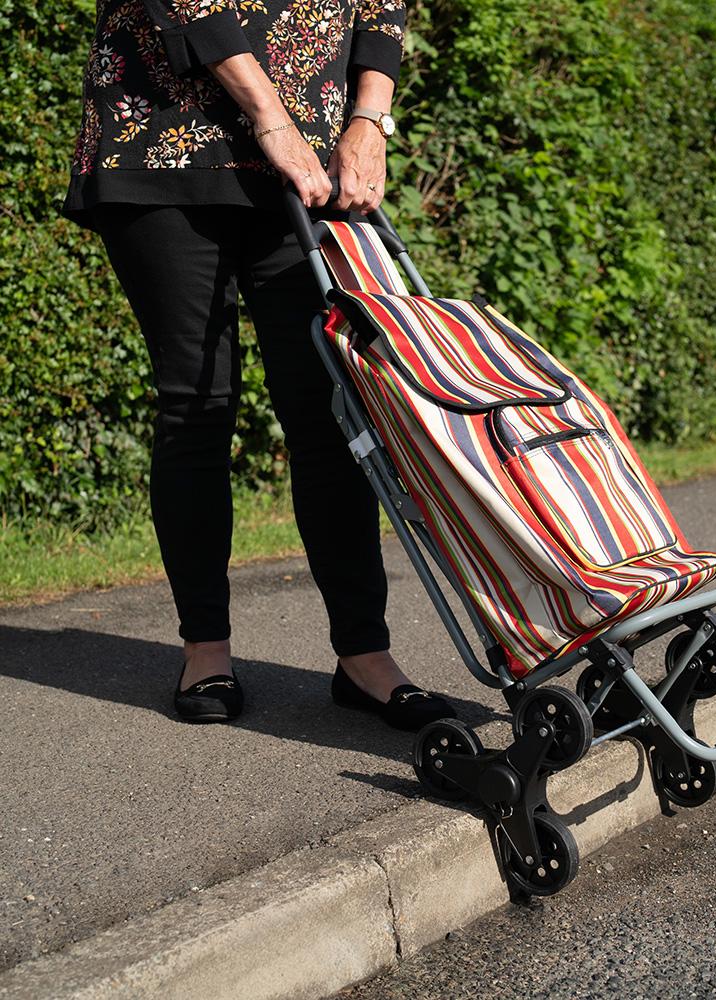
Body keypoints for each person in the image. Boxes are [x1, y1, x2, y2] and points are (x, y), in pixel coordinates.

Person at [61, 0, 455, 729]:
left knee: (332, 409)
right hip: (166, 145)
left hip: (312, 166)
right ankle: (205, 650)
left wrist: (369, 121)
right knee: (196, 403)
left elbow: (382, 7)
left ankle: (365, 656)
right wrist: (271, 118)